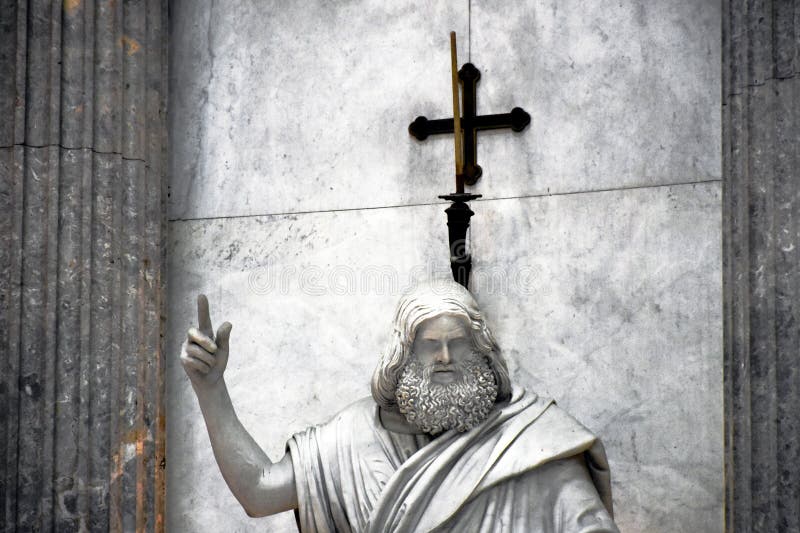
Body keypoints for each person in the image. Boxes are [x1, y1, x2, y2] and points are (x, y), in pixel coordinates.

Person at [181, 279, 619, 532]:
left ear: (482, 350)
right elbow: (260, 492)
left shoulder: (534, 444)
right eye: (430, 345)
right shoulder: (350, 439)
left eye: (458, 344)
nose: (444, 358)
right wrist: (211, 389)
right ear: (404, 355)